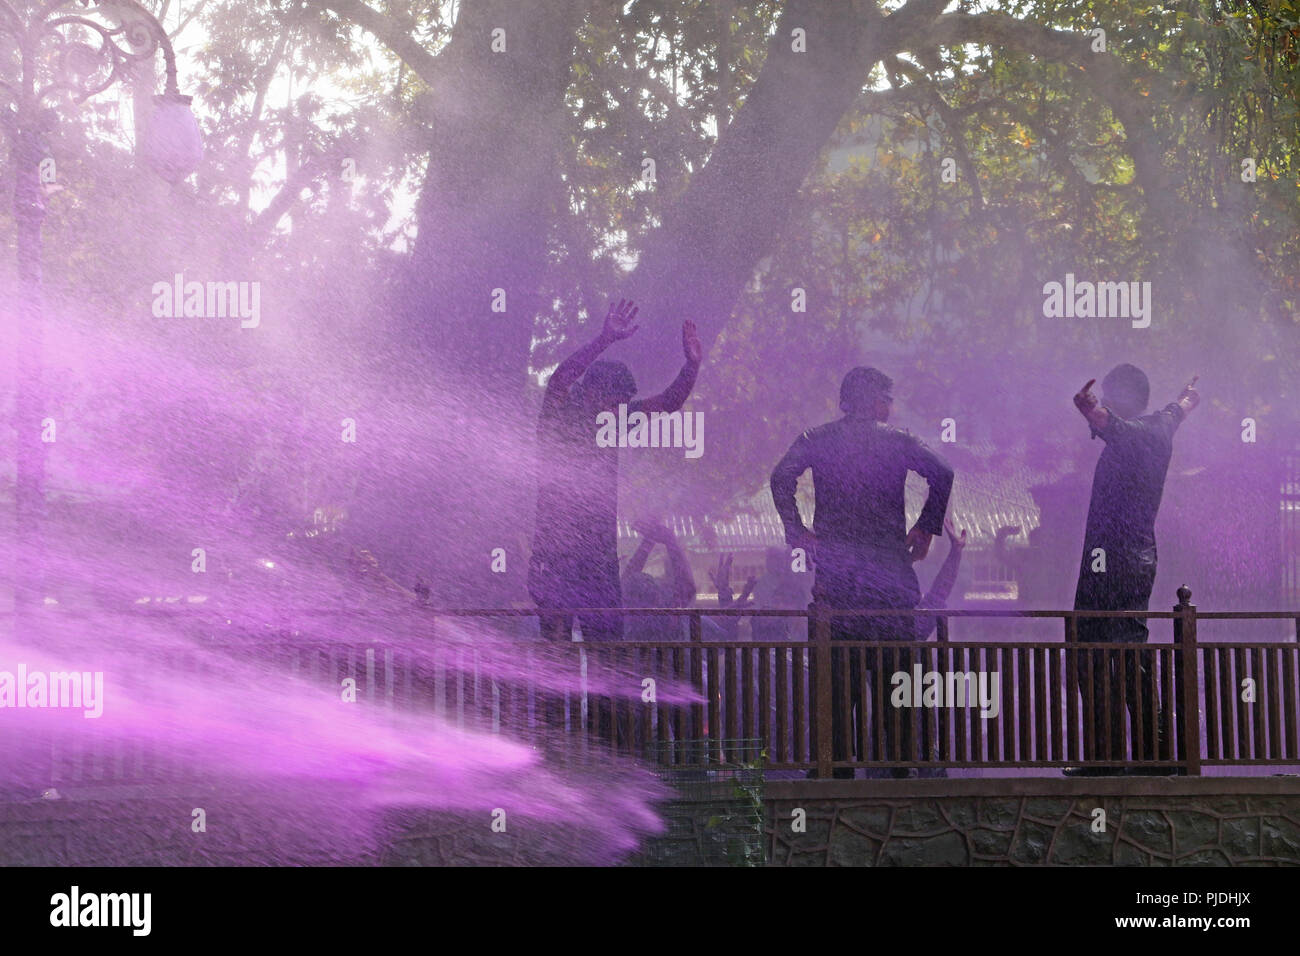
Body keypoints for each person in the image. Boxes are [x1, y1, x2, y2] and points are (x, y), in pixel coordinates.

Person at [771, 366, 954, 778]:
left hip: (838, 588)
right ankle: (901, 774)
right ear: (875, 401)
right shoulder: (898, 441)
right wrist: (927, 526)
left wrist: (797, 531)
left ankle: (834, 775)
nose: (891, 406)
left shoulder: (817, 439)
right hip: (891, 587)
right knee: (897, 686)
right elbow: (943, 472)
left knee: (837, 687)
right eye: (888, 398)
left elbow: (780, 476)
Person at [528, 299, 702, 643]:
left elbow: (667, 403)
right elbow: (561, 378)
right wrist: (604, 339)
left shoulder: (613, 423)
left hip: (598, 560)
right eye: (616, 401)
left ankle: (609, 699)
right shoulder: (558, 417)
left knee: (608, 647)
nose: (622, 409)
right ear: (592, 394)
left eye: (624, 403)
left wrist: (692, 367)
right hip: (555, 554)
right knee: (556, 650)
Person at [1065, 365, 1199, 776]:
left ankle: (1135, 756)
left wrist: (1092, 414)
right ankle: (1138, 754)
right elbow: (1179, 409)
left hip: (1118, 561)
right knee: (1114, 652)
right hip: (1125, 558)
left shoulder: (1139, 434)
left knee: (1110, 653)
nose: (1103, 399)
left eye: (1107, 394)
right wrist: (1187, 397)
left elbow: (1114, 427)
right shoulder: (1160, 424)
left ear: (1123, 398)